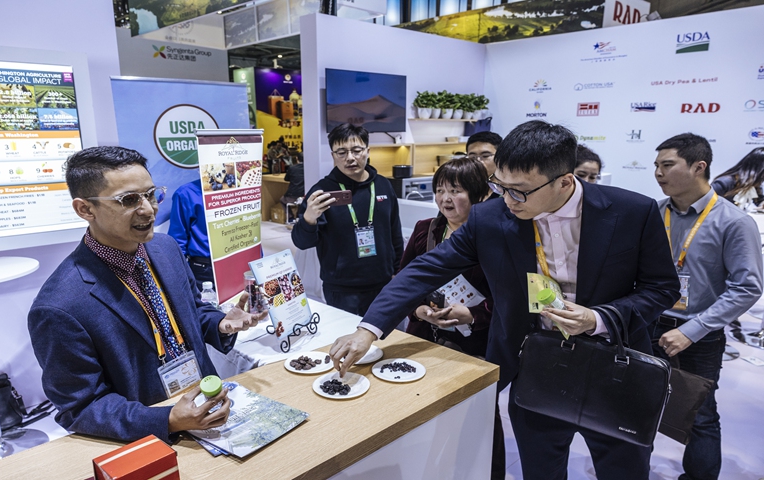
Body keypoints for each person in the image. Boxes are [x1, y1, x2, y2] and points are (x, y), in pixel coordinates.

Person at [329, 120, 680, 480]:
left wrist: (599, 318)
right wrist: (368, 329)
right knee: (541, 470)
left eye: (521, 191)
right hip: (536, 365)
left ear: (564, 180)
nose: (508, 199)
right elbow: (425, 269)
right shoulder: (489, 217)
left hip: (614, 369)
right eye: (501, 185)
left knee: (623, 471)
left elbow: (662, 288)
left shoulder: (633, 212)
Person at [28, 146, 268, 443]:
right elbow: (80, 407)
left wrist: (220, 323)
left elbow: (191, 311)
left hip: (210, 408)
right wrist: (166, 420)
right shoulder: (59, 307)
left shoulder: (165, 249)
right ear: (85, 209)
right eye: (129, 200)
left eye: (151, 194)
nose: (148, 209)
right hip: (149, 435)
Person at [651, 134, 763, 480]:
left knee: (699, 414)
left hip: (699, 335)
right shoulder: (654, 212)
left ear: (699, 166)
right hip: (648, 326)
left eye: (667, 165)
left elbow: (747, 287)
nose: (658, 173)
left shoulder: (734, 222)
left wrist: (692, 330)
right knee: (635, 403)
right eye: (656, 165)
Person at [291, 123, 403, 316]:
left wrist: (398, 273)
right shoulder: (322, 192)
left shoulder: (383, 185)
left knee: (386, 342)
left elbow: (395, 234)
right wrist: (309, 218)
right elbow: (302, 243)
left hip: (384, 284)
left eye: (356, 150)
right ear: (333, 155)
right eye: (341, 152)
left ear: (367, 151)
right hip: (342, 290)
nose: (350, 158)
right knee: (347, 342)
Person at [401, 157, 492, 357]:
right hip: (423, 335)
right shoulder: (425, 229)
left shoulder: (492, 236)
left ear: (479, 194)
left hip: (472, 344)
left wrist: (472, 315)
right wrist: (418, 310)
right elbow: (404, 280)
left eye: (455, 191)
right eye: (440, 190)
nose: (445, 198)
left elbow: (506, 297)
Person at [168, 178, 213, 285]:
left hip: (237, 261)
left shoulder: (238, 190)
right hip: (204, 270)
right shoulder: (185, 193)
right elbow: (177, 241)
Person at [466, 131, 503, 199]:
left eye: (485, 156)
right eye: (472, 157)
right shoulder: (463, 187)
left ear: (500, 157)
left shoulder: (507, 190)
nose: (478, 161)